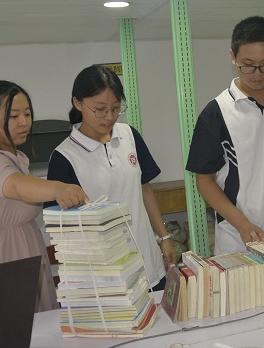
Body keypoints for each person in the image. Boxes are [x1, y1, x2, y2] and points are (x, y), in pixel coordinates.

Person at [46, 65, 175, 290]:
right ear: (77, 103)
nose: (109, 117)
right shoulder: (64, 157)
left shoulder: (129, 136)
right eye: (100, 109)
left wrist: (164, 238)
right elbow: (63, 225)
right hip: (105, 270)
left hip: (147, 257)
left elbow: (144, 189)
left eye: (116, 108)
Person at [187, 16, 264, 255]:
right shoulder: (217, 112)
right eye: (248, 64)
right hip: (240, 238)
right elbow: (204, 180)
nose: (257, 74)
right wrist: (242, 225)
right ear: (233, 57)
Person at [0, 81, 89, 312]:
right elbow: (16, 186)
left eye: (27, 114)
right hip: (5, 262)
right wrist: (58, 188)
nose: (24, 122)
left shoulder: (12, 156)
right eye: (13, 116)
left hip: (24, 255)